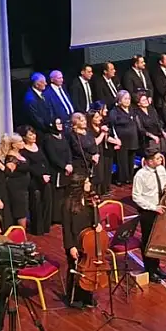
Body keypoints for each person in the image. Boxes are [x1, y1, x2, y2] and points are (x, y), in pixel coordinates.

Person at [131, 152, 166, 282]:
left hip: (161, 208)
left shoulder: (161, 169)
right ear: (149, 161)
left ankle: (156, 267)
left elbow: (165, 182)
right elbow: (136, 196)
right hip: (148, 211)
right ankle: (149, 269)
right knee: (148, 240)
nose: (160, 159)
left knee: (157, 240)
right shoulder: (140, 175)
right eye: (157, 158)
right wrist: (153, 207)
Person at [60, 175, 98, 309]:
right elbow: (66, 228)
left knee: (88, 268)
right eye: (87, 182)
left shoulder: (89, 199)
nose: (89, 184)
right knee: (75, 269)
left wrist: (96, 222)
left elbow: (94, 218)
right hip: (75, 241)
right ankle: (74, 297)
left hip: (88, 240)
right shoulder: (68, 203)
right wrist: (71, 247)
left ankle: (87, 295)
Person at [42, 117, 74, 223]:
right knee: (58, 195)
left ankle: (64, 214)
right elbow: (52, 156)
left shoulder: (62, 136)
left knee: (65, 193)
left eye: (61, 123)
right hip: (57, 170)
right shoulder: (48, 138)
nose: (60, 125)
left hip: (66, 169)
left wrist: (69, 164)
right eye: (57, 124)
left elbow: (68, 151)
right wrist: (64, 166)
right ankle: (57, 217)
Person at [108, 90, 140, 185]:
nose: (128, 101)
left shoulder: (132, 109)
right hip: (122, 140)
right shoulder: (114, 111)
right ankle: (121, 179)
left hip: (133, 139)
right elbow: (112, 125)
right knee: (122, 161)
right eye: (125, 98)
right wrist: (115, 139)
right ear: (119, 100)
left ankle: (129, 178)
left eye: (129, 98)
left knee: (131, 160)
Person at [2, 133, 30, 228]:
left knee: (23, 210)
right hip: (16, 188)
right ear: (14, 145)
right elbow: (9, 172)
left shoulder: (18, 154)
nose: (23, 143)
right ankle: (22, 236)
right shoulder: (11, 157)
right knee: (20, 211)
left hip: (22, 187)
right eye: (20, 141)